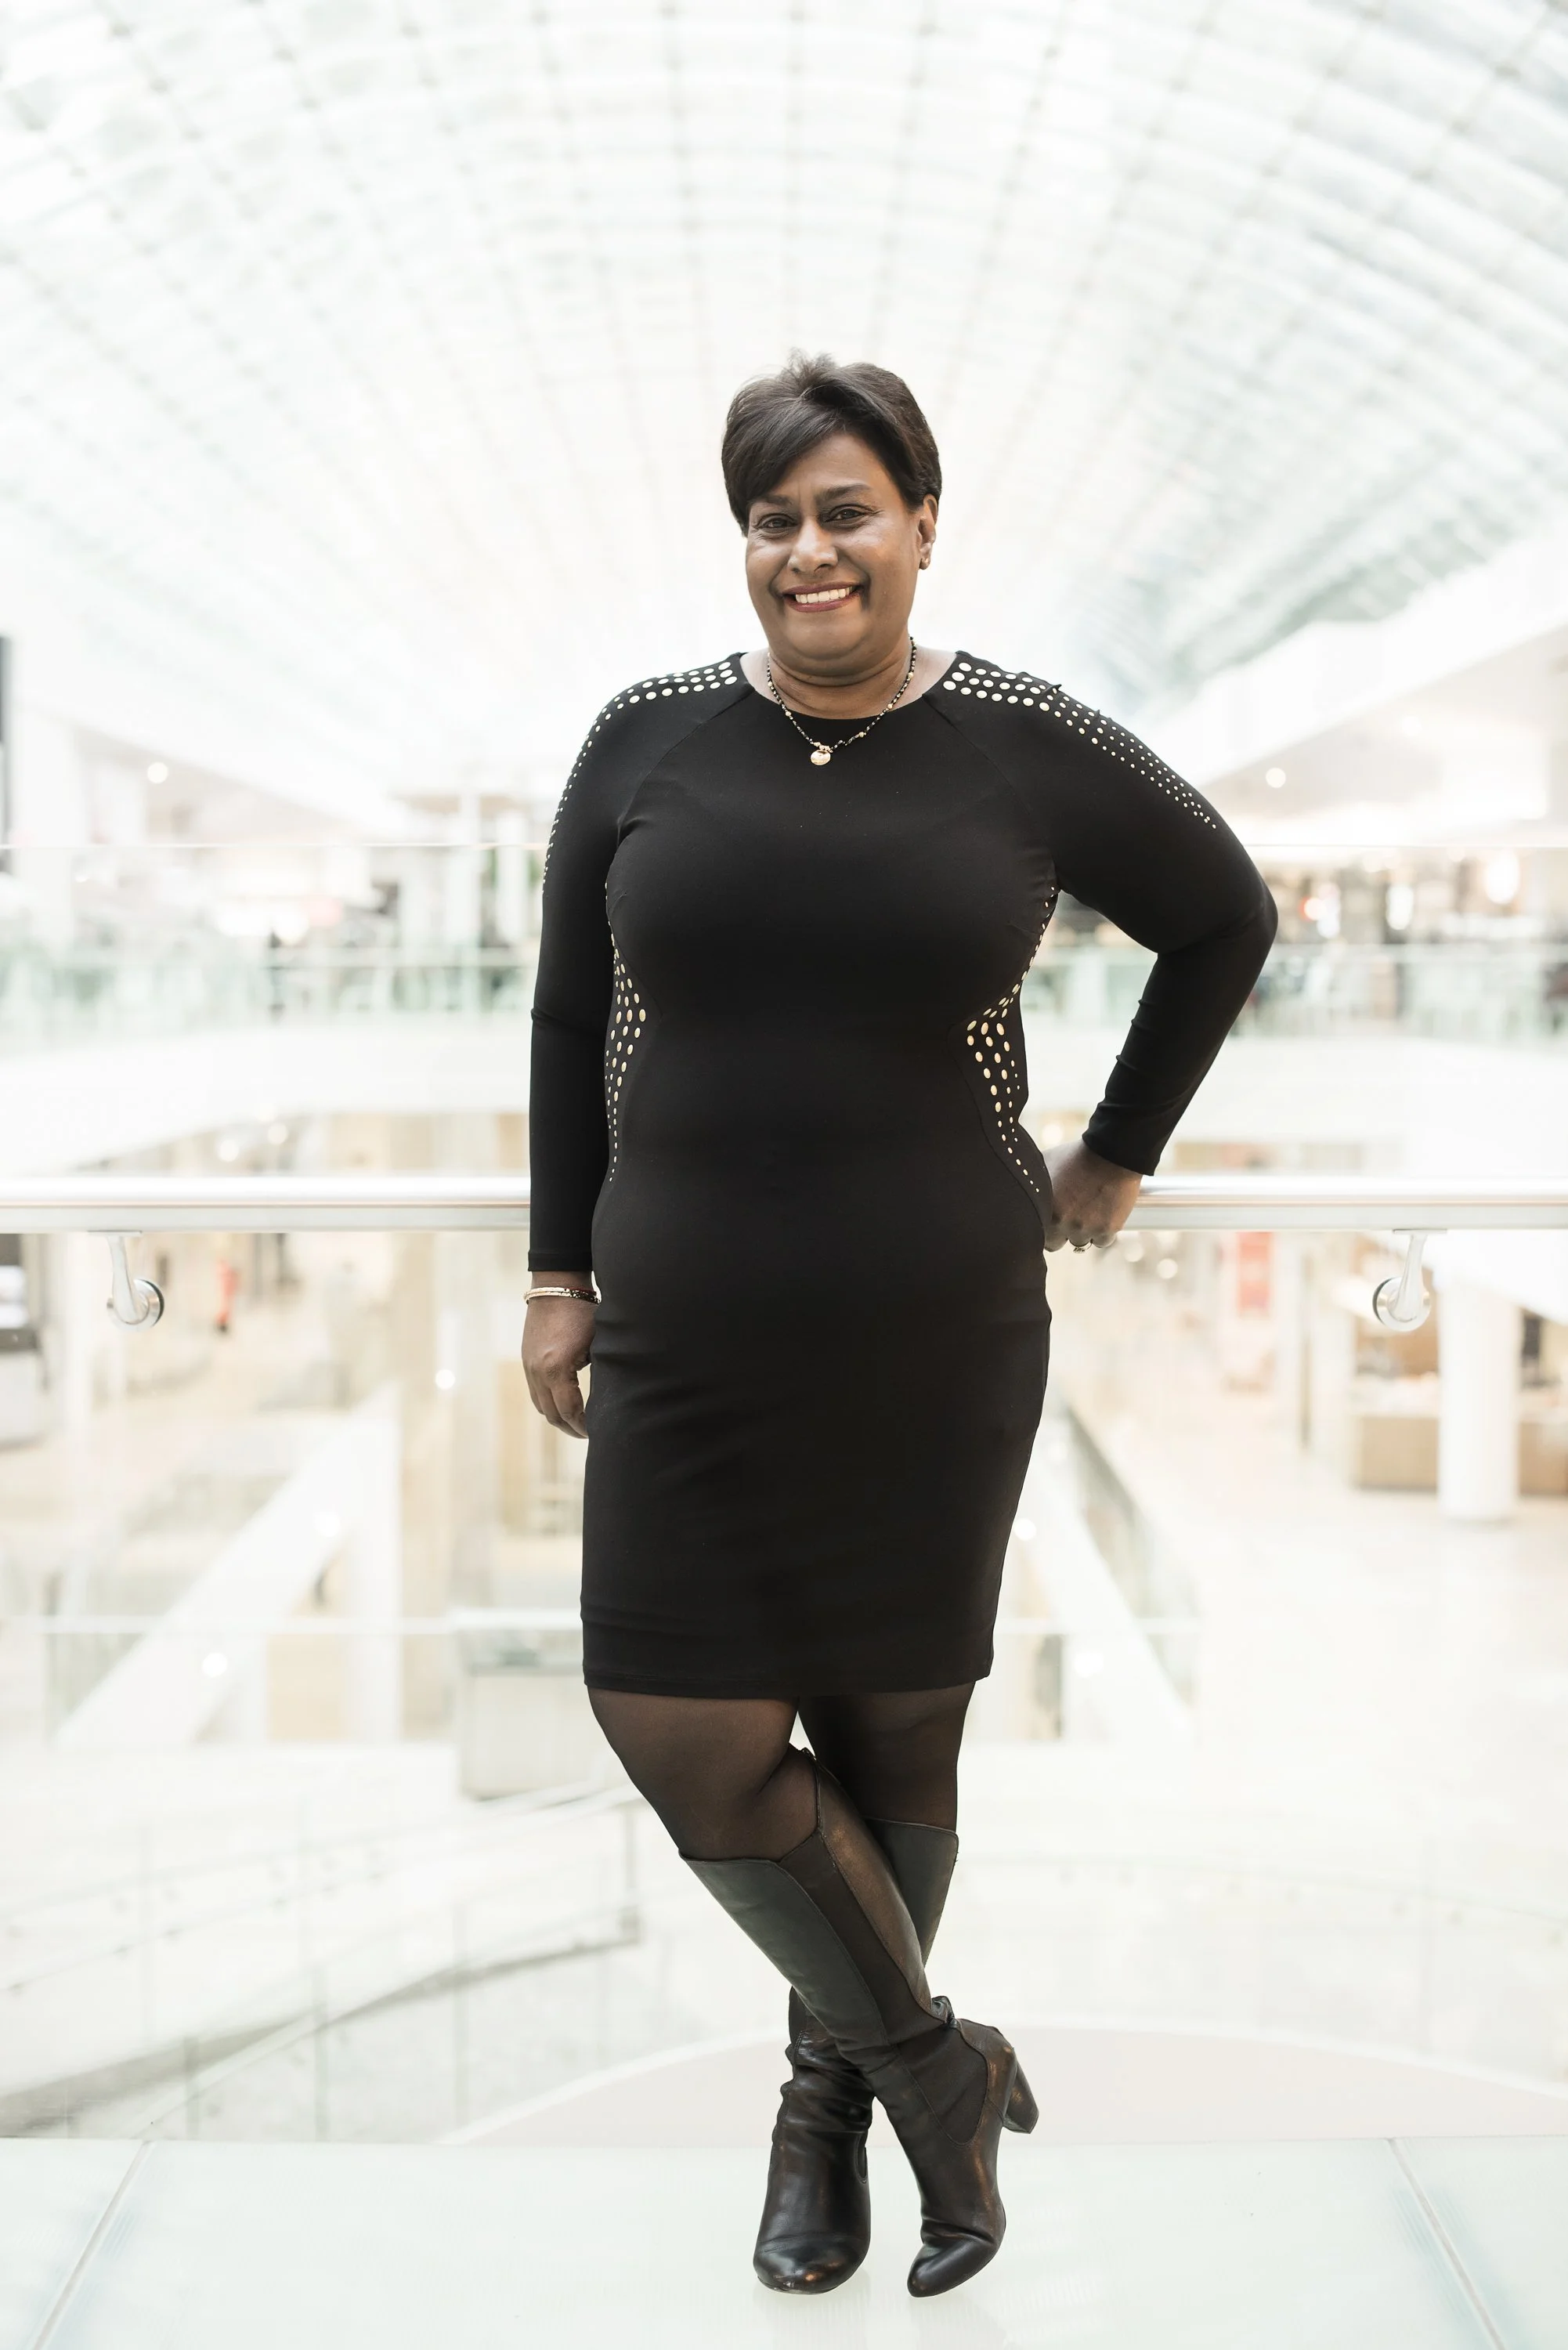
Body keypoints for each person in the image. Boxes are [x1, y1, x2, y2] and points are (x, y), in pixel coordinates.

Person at [522, 354, 1276, 2297]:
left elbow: (1220, 918)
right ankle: (935, 2069)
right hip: (681, 1314)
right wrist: (552, 1273)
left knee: (888, 1733)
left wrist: (1115, 1152)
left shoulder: (1016, 744)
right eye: (772, 519)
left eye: (844, 510)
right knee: (673, 1720)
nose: (807, 552)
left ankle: (821, 2113)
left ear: (921, 523)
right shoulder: (645, 742)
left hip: (931, 1317)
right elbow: (556, 1023)